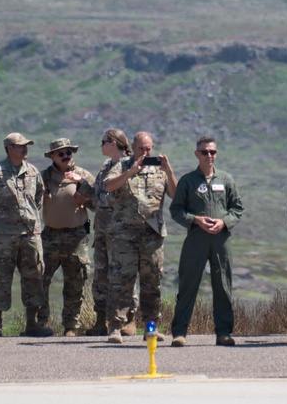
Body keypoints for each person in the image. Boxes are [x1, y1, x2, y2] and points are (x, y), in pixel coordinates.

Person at [169, 136, 244, 347]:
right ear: (197, 154)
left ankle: (223, 333)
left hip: (221, 240)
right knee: (188, 285)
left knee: (223, 286)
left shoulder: (226, 179)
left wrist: (224, 222)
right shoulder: (187, 180)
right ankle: (179, 332)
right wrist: (195, 220)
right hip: (196, 239)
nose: (209, 156)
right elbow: (176, 210)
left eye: (212, 152)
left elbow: (237, 209)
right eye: (204, 152)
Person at [103, 131, 177, 344]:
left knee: (152, 283)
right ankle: (115, 327)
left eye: (149, 149)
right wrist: (131, 171)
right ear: (133, 148)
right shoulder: (123, 165)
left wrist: (169, 170)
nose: (145, 152)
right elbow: (108, 186)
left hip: (151, 236)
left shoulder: (160, 170)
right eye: (141, 148)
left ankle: (151, 328)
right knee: (121, 281)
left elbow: (174, 193)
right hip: (124, 236)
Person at [0, 132, 52, 338]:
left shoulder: (33, 172)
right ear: (10, 148)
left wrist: (30, 220)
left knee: (33, 277)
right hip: (3, 235)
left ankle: (32, 323)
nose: (25, 149)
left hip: (29, 234)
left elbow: (38, 200)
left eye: (26, 145)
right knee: (0, 277)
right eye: (20, 146)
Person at [40, 137, 95, 336]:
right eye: (61, 154)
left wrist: (85, 199)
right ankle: (42, 324)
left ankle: (71, 326)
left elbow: (99, 203)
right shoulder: (43, 177)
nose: (66, 156)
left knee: (75, 282)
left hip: (76, 237)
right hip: (50, 236)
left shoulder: (83, 176)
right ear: (53, 157)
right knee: (41, 280)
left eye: (69, 153)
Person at [85, 129, 133, 336]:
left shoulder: (129, 166)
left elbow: (123, 197)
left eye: (103, 141)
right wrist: (81, 186)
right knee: (101, 275)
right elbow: (98, 198)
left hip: (121, 230)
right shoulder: (106, 167)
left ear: (113, 143)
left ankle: (128, 319)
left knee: (123, 274)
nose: (101, 145)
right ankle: (100, 320)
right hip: (103, 230)